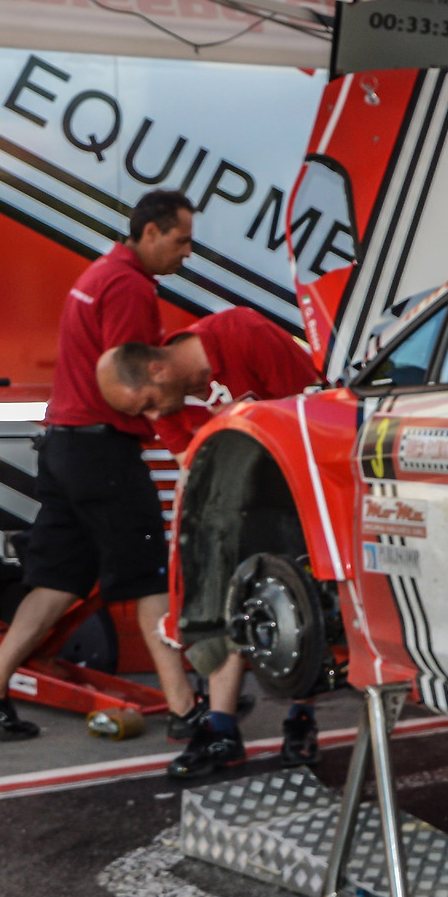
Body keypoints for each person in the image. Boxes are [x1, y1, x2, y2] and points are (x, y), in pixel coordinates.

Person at [0, 190, 203, 742]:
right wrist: (182, 436)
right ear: (151, 232)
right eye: (181, 241)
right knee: (150, 576)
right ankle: (185, 709)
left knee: (58, 580)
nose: (187, 254)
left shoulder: (99, 273)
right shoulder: (130, 286)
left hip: (64, 445)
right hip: (101, 451)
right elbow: (133, 380)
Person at [96, 307, 323, 780]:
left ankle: (301, 717)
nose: (155, 417)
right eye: (143, 413)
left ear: (157, 368)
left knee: (306, 600)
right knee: (224, 593)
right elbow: (196, 470)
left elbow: (314, 415)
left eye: (150, 404)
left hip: (300, 482)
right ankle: (222, 731)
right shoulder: (166, 397)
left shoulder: (242, 335)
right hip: (237, 500)